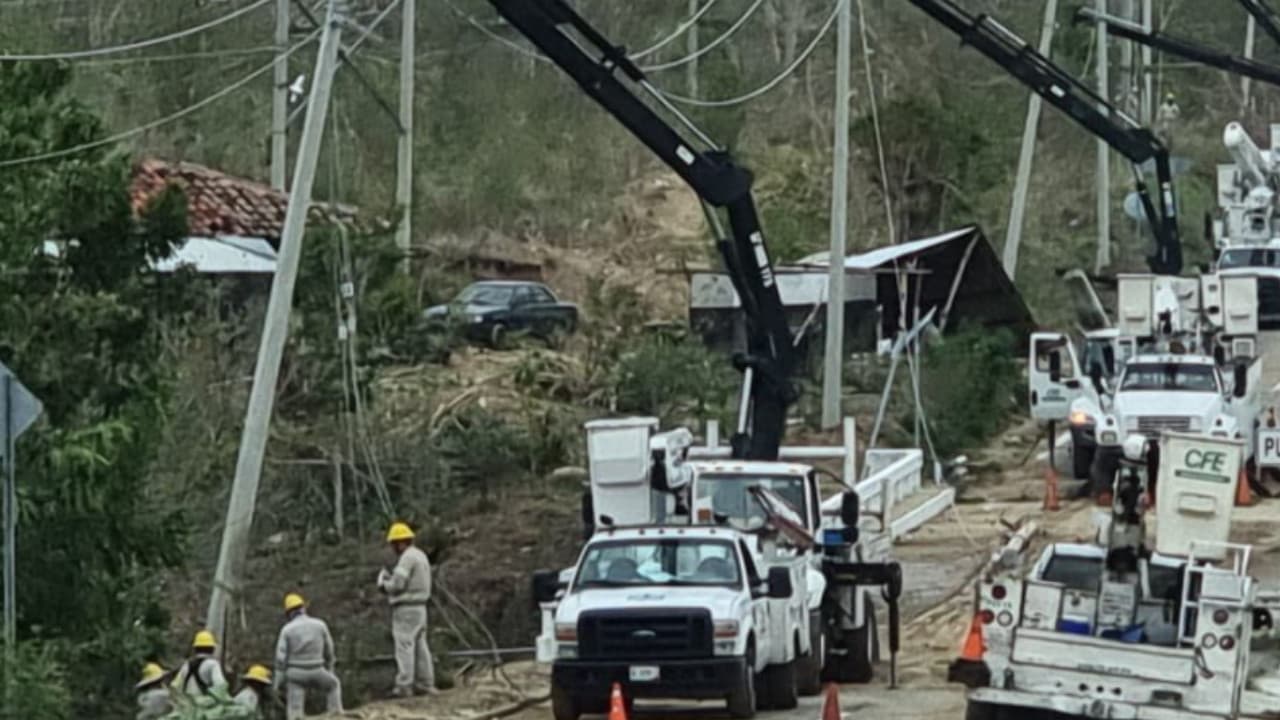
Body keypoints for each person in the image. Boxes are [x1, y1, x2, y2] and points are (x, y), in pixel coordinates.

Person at [376, 521, 437, 698]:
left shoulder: (408, 558)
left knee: (404, 646)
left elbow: (398, 584)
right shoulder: (420, 555)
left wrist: (384, 584)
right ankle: (426, 683)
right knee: (420, 646)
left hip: (406, 608)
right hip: (420, 607)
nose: (393, 548)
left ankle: (404, 685)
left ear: (401, 542)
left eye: (394, 544)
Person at [274, 592, 342, 720]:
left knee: (295, 709)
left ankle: (296, 717)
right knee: (333, 685)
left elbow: (280, 659)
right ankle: (336, 715)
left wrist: (278, 682)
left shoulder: (287, 629)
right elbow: (330, 650)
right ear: (303, 608)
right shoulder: (320, 625)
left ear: (289, 614)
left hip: (295, 674)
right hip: (317, 669)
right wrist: (331, 669)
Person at [171, 630, 229, 698]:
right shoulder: (213, 664)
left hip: (187, 706)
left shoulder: (186, 665)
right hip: (205, 706)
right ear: (212, 649)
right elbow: (221, 686)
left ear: (195, 648)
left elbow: (175, 687)